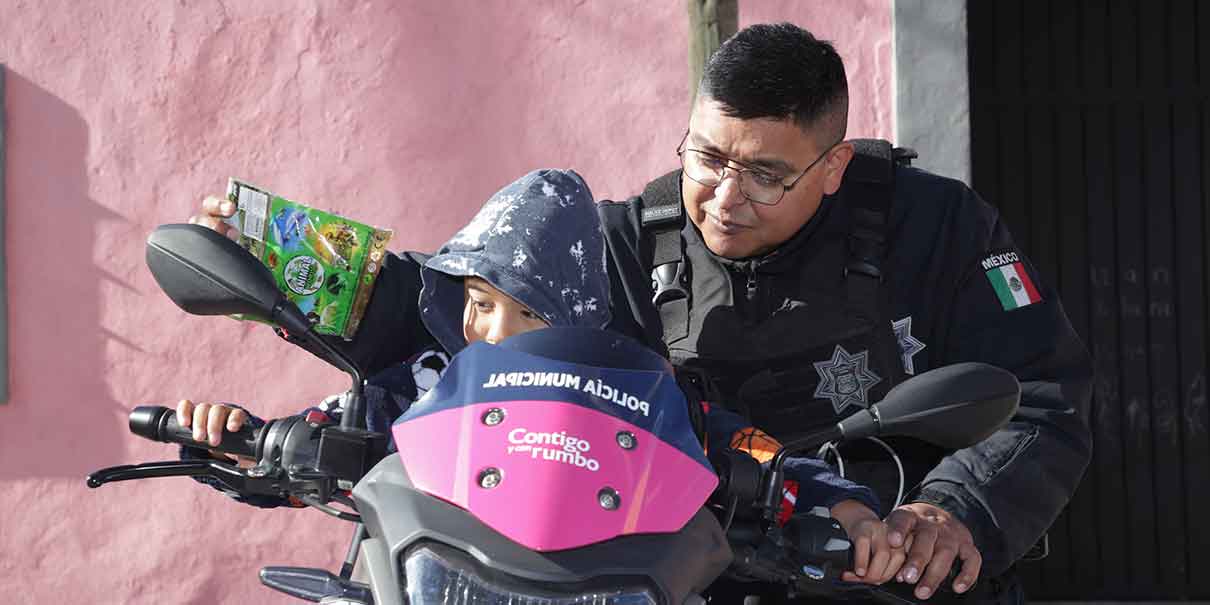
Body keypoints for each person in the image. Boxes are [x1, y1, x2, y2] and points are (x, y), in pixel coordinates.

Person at [187, 23, 1093, 602]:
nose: (725, 197)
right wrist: (288, 256)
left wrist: (952, 510)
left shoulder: (940, 228)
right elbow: (469, 318)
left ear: (835, 166)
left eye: (767, 175)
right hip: (665, 582)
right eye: (707, 157)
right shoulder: (629, 244)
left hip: (880, 566)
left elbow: (1042, 392)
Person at [179, 168, 903, 584]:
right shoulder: (427, 379)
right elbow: (329, 433)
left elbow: (751, 451)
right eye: (479, 302)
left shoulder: (641, 403)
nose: (488, 331)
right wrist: (246, 439)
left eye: (523, 312)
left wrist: (839, 504)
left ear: (576, 318)